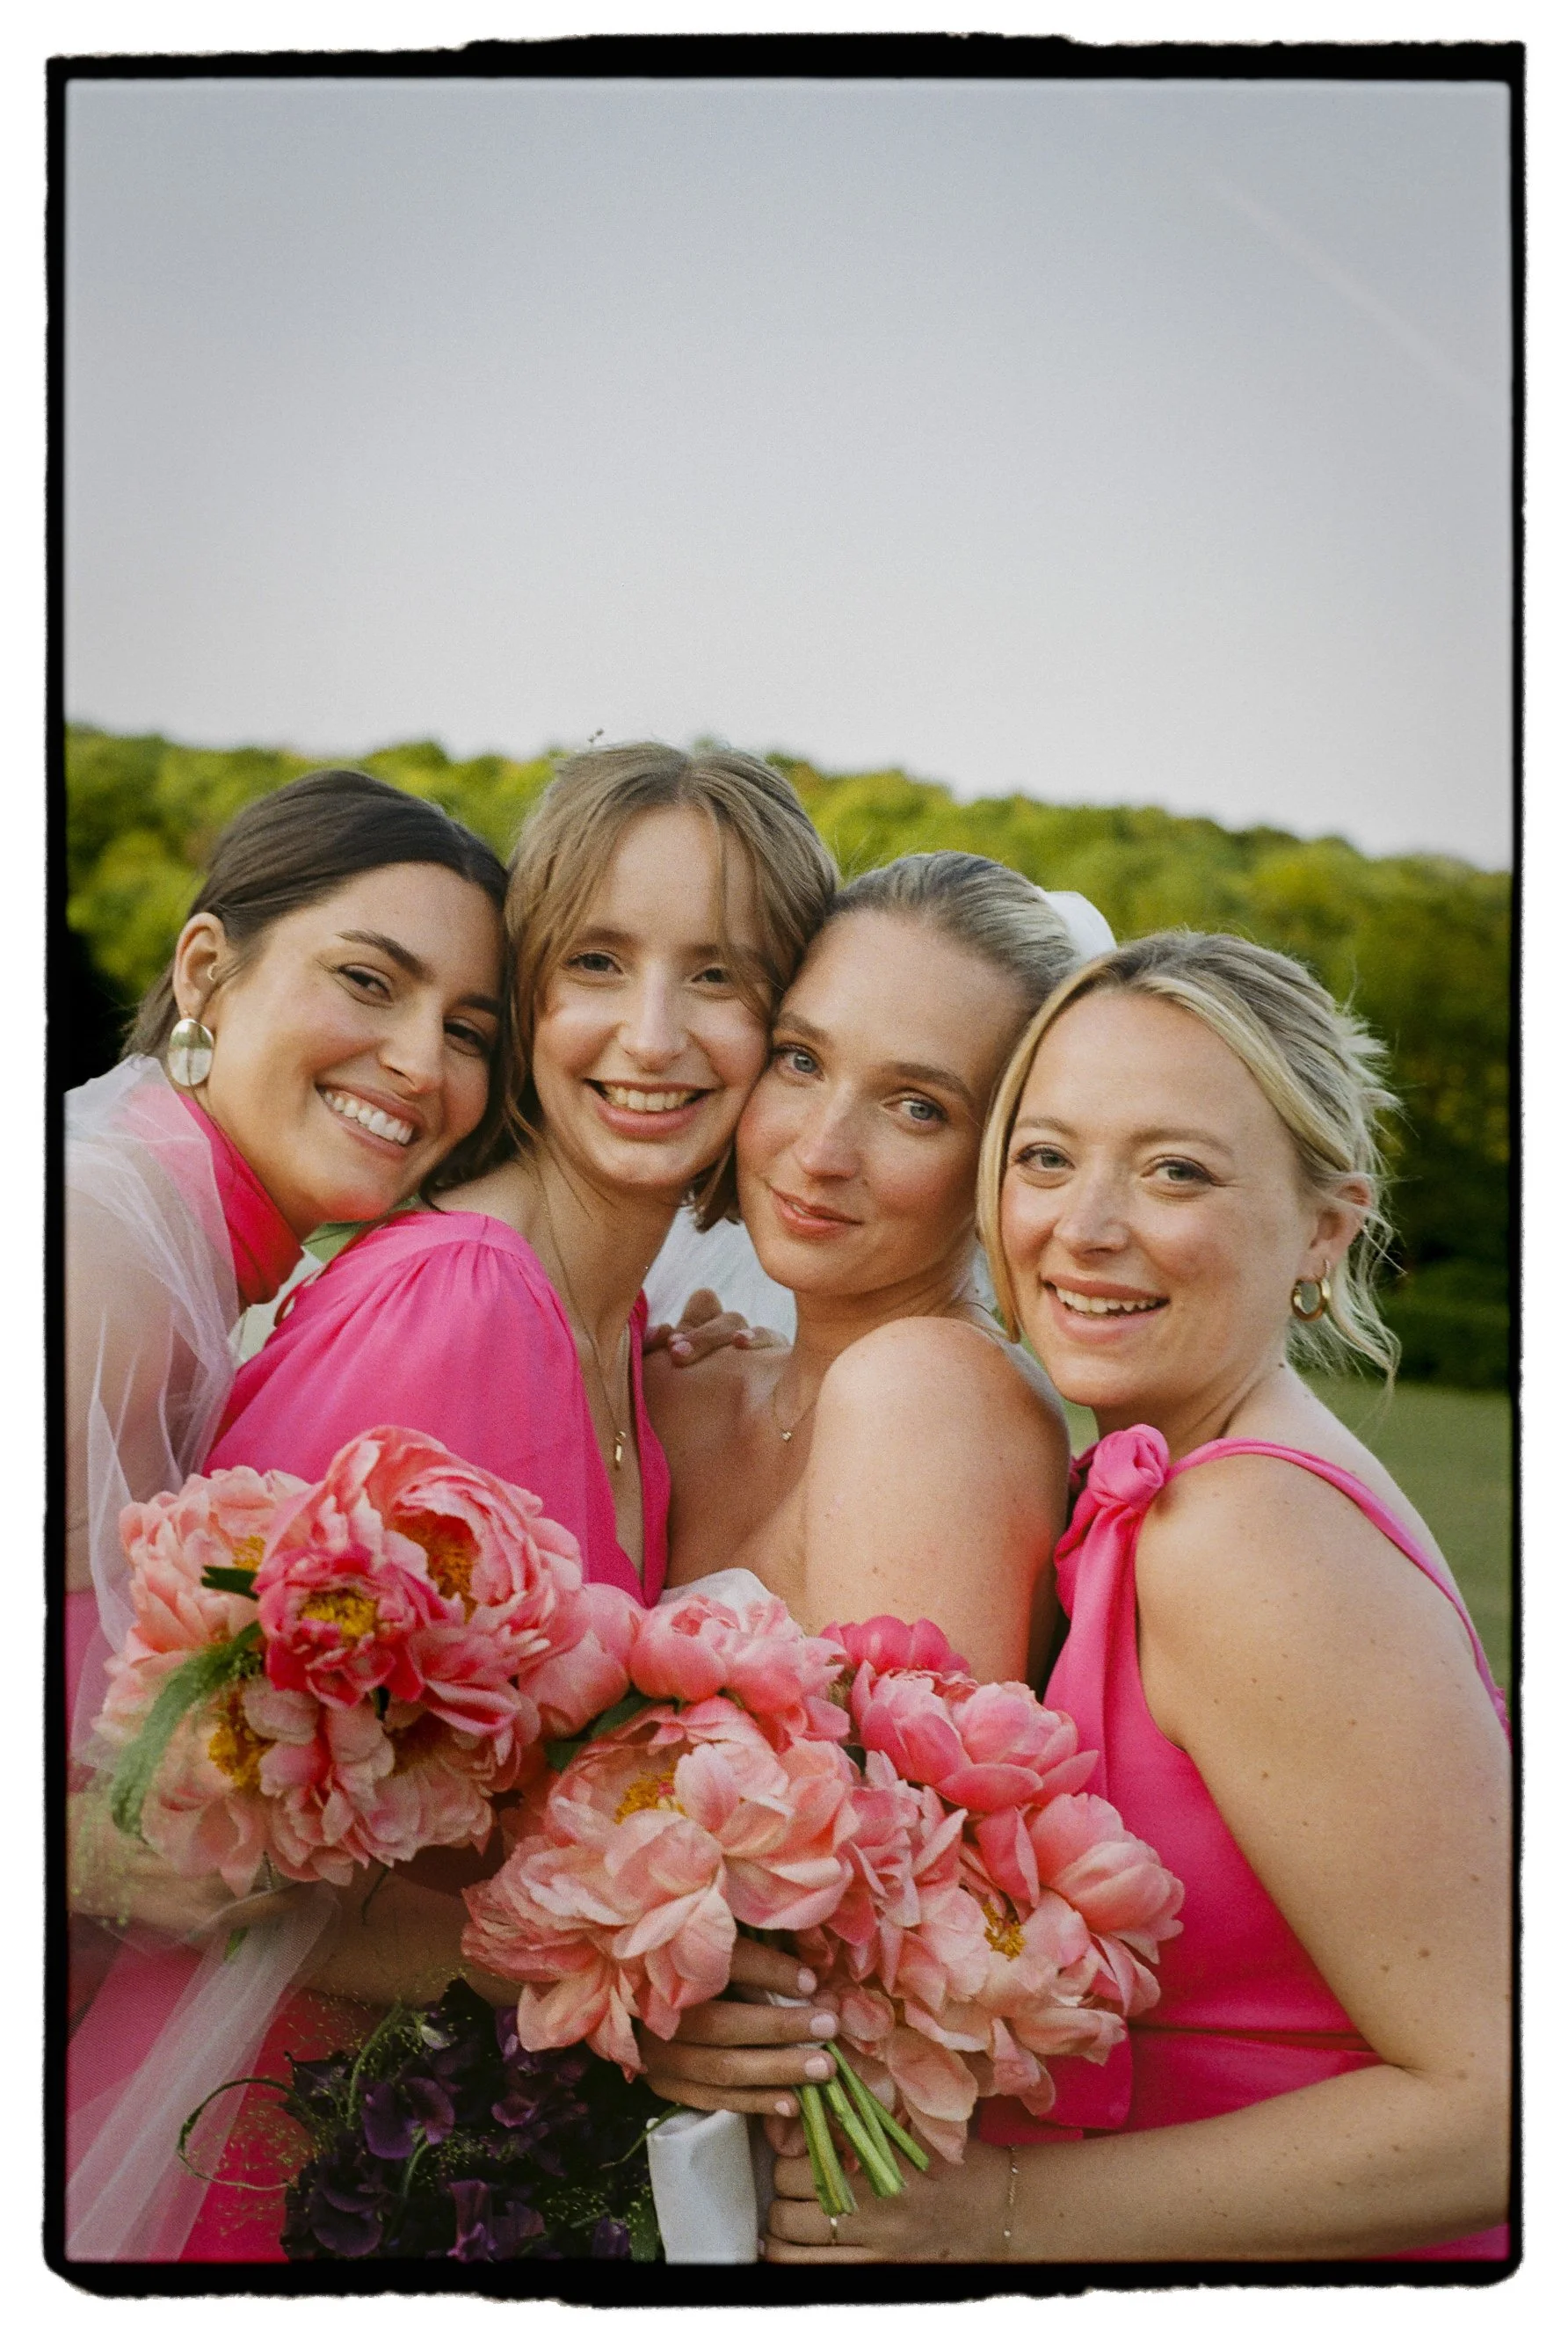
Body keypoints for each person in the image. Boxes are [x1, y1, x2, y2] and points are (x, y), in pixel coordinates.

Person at [165, 744, 837, 2257]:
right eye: (600, 960)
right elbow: (209, 1852)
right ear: (533, 990)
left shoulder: (616, 1332)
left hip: (429, 2163)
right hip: (255, 2157)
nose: (650, 1034)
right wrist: (611, 1971)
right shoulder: (457, 1301)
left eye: (719, 976)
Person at [766, 929, 1511, 2263]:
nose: (1085, 1226)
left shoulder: (1246, 1534)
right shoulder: (1158, 1488)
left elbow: (1499, 2107)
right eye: (1047, 1156)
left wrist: (988, 2220)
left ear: (1324, 1231)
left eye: (1175, 1170)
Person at [66, 768, 512, 2261]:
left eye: (467, 1031)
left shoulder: (240, 1283)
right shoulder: (96, 1259)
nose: (416, 1062)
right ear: (206, 967)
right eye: (368, 981)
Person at [632, 854, 1093, 2119]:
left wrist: (656, 2005)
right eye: (800, 1059)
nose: (820, 1149)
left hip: (779, 2146)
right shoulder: (687, 1382)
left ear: (1006, 1159)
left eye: (918, 1106)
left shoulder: (930, 1389)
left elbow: (891, 1911)